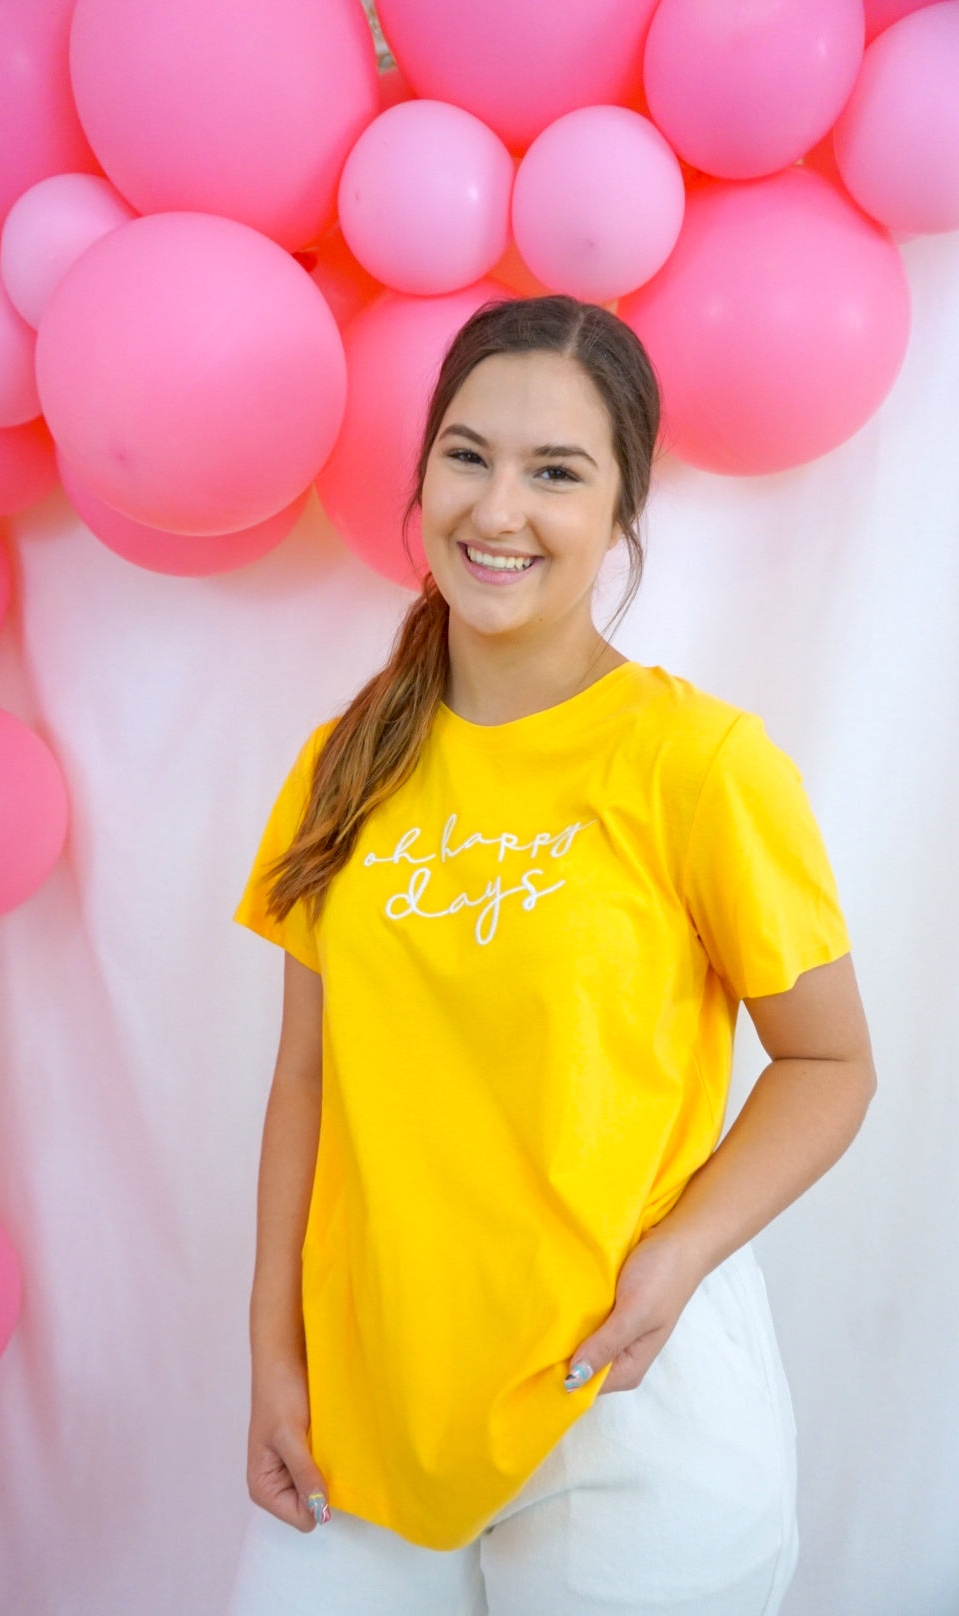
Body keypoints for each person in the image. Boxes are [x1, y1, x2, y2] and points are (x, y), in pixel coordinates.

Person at [227, 294, 877, 1616]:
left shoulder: (699, 766)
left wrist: (678, 1258)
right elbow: (307, 1079)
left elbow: (832, 1063)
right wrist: (273, 1356)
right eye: (468, 455)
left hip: (629, 1407)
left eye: (557, 471)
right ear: (421, 476)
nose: (498, 509)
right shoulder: (346, 761)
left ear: (624, 506)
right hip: (378, 1403)